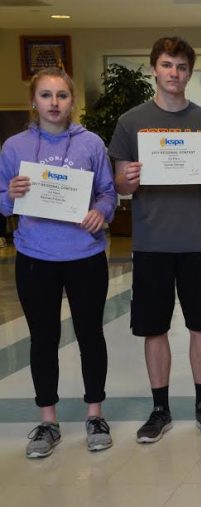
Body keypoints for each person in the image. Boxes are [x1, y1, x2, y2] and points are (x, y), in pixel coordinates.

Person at [109, 37, 201, 442]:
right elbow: (119, 181)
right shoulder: (131, 122)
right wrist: (124, 179)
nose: (174, 74)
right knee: (153, 328)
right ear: (154, 70)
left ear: (189, 73)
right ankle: (159, 408)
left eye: (181, 67)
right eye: (167, 65)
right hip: (151, 243)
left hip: (197, 241)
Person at [0, 68, 116, 458]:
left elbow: (108, 193)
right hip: (35, 256)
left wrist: (101, 212)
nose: (54, 103)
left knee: (90, 336)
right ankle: (48, 420)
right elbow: (2, 200)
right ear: (33, 102)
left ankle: (95, 413)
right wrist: (10, 194)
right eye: (46, 95)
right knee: (43, 339)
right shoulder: (14, 147)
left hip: (84, 254)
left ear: (72, 101)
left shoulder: (91, 144)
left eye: (62, 95)